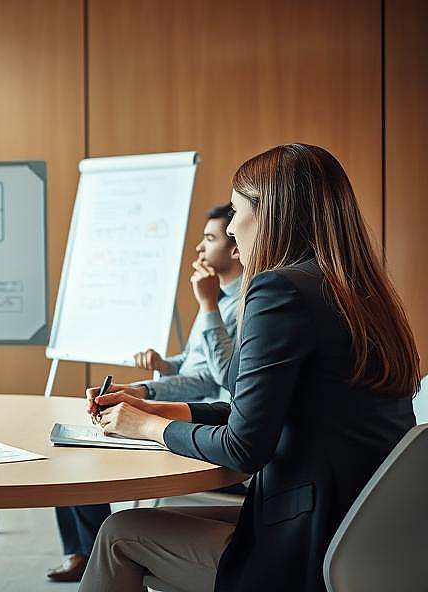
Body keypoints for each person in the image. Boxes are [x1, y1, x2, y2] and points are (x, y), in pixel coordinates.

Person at [82, 143, 420, 592]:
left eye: (237, 210)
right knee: (139, 525)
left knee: (118, 534)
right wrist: (162, 411)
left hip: (309, 542)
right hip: (370, 530)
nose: (234, 231)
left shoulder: (279, 290)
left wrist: (145, 428)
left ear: (271, 214)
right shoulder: (361, 292)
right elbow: (271, 409)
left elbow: (244, 447)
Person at [47, 204, 244, 582]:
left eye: (210, 238)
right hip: (200, 411)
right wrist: (154, 376)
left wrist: (205, 308)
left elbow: (221, 375)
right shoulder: (220, 298)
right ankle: (81, 552)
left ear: (235, 248)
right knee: (76, 442)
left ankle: (89, 554)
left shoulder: (243, 303)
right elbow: (195, 363)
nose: (199, 249)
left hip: (211, 424)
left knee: (87, 451)